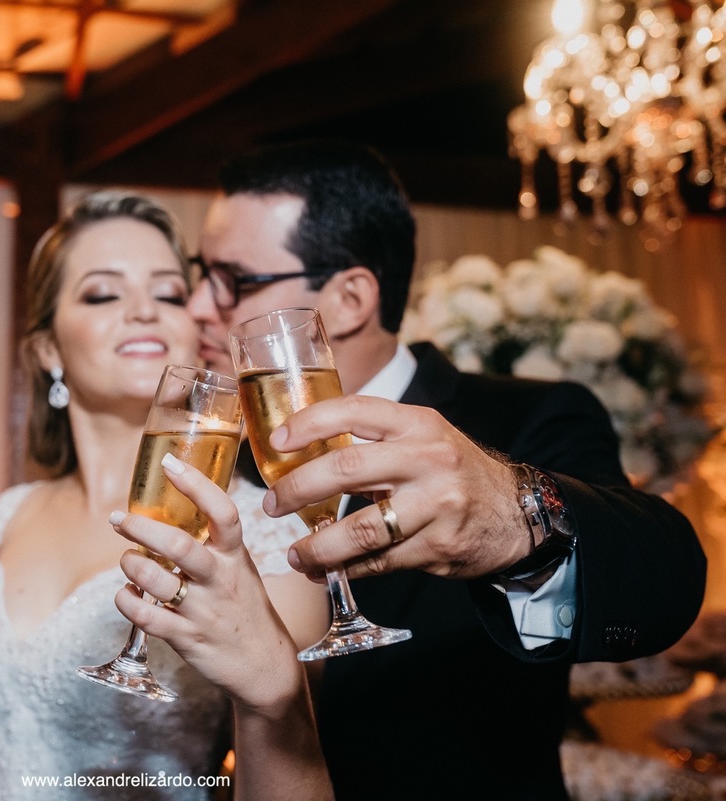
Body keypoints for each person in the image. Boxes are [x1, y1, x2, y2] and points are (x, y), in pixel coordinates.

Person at [118, 141, 706, 801]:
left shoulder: (524, 418)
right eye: (202, 273)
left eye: (233, 279)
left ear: (349, 298)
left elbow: (661, 587)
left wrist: (514, 516)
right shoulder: (231, 451)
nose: (199, 304)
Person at [0, 190, 329, 801]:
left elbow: (292, 761)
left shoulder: (263, 529)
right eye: (103, 293)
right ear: (46, 350)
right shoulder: (6, 516)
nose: (144, 310)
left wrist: (273, 697)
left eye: (169, 293)